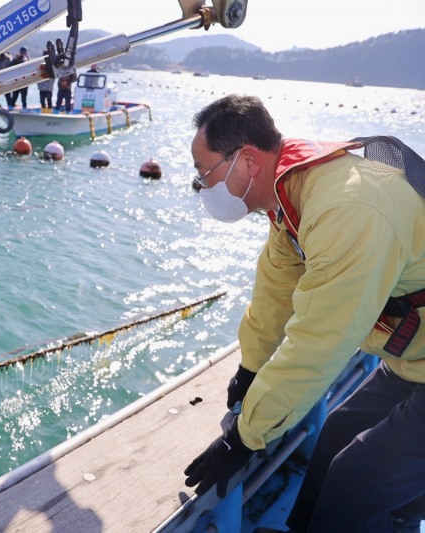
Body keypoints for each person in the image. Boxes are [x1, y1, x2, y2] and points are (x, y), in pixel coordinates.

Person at [181, 94, 425, 533]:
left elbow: (319, 342)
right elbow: (276, 289)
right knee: (334, 435)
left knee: (357, 477)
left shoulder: (345, 209)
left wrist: (241, 439)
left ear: (248, 160)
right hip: (414, 355)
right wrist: (251, 368)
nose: (204, 188)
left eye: (206, 174)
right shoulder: (294, 191)